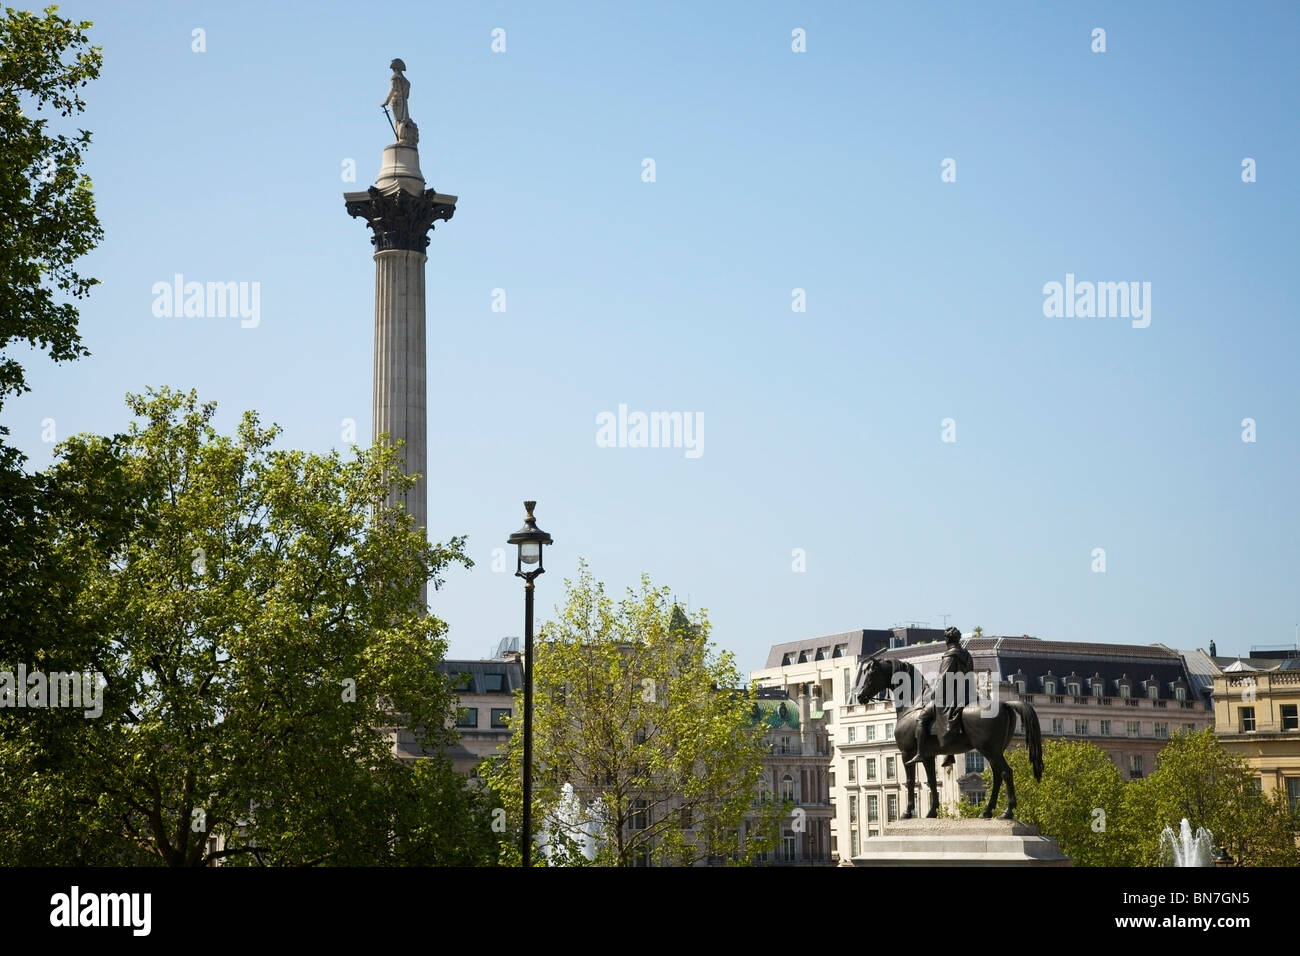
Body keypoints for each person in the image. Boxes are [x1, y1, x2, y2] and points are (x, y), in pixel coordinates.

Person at [906, 627, 974, 766]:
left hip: (951, 697)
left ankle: (920, 753)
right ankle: (950, 754)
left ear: (947, 639)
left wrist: (933, 694)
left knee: (922, 718)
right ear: (958, 639)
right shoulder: (966, 654)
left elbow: (943, 679)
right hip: (968, 694)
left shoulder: (950, 656)